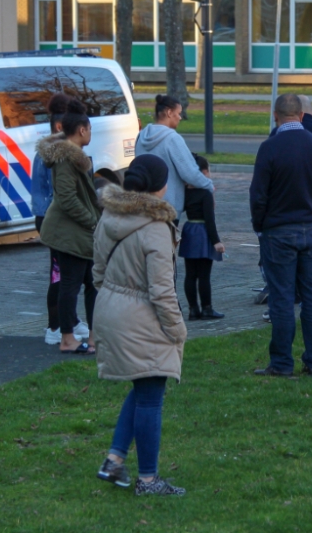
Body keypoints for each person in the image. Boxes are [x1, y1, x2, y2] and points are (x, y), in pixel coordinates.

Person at [93, 154, 187, 497]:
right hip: (143, 317)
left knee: (143, 388)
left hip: (110, 310)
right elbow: (162, 292)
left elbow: (98, 272)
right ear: (159, 188)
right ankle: (148, 480)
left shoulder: (109, 214)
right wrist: (177, 331)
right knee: (151, 396)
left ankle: (114, 459)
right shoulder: (156, 228)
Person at [251, 94, 312, 377]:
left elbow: (258, 194)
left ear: (276, 116)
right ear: (301, 115)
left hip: (278, 231)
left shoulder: (269, 148)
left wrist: (260, 225)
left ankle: (282, 362)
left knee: (282, 298)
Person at [39, 103, 101, 354]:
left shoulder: (72, 155)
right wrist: (92, 221)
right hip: (69, 233)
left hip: (77, 231)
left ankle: (96, 338)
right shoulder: (66, 158)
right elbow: (66, 198)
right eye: (90, 129)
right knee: (71, 286)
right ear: (83, 130)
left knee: (92, 283)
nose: (90, 134)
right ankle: (67, 339)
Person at [32, 94, 87, 346]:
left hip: (46, 216)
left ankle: (69, 321)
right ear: (59, 127)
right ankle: (56, 326)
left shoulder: (51, 151)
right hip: (51, 218)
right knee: (61, 276)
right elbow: (62, 194)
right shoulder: (57, 154)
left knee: (65, 275)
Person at [135, 94, 213, 219]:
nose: (180, 117)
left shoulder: (141, 136)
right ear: (169, 112)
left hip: (143, 206)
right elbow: (189, 172)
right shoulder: (172, 139)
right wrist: (208, 185)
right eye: (178, 113)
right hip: (167, 208)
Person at [179, 155, 226, 321]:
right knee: (204, 275)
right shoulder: (205, 193)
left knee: (190, 274)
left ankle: (193, 309)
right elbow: (210, 220)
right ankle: (207, 308)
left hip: (189, 230)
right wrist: (216, 241)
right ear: (204, 172)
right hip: (203, 232)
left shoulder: (186, 191)